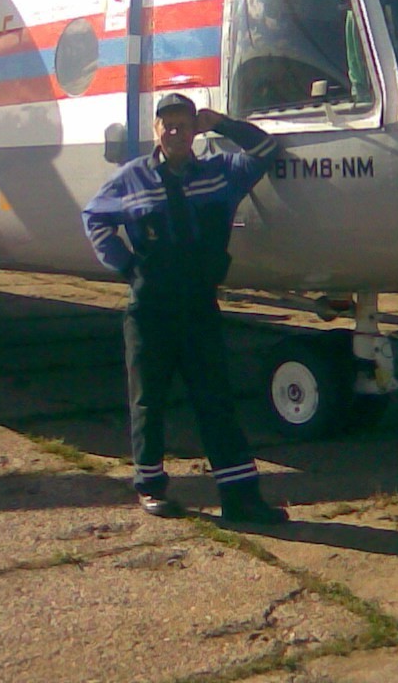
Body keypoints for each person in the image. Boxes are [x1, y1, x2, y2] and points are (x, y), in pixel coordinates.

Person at [82, 93, 288, 525]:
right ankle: (151, 486)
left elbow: (267, 150)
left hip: (198, 304)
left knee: (216, 399)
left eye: (184, 124)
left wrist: (225, 125)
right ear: (156, 130)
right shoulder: (132, 177)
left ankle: (240, 498)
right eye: (167, 125)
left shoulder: (221, 173)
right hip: (151, 306)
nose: (175, 132)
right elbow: (95, 217)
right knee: (148, 401)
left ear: (196, 130)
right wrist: (126, 267)